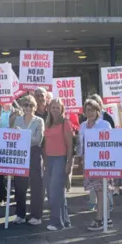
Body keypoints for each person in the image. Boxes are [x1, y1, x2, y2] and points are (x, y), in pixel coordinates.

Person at [78, 99, 114, 231]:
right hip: (88, 161)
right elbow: (81, 144)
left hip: (102, 161)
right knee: (97, 190)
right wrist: (80, 159)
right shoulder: (82, 125)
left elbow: (111, 143)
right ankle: (107, 218)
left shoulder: (105, 124)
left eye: (93, 109)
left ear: (98, 111)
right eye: (88, 110)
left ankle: (99, 219)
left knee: (101, 190)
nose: (90, 112)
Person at [13, 95, 45, 226]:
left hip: (34, 153)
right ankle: (20, 214)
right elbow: (14, 136)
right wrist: (20, 136)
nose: (28, 108)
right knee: (20, 185)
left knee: (36, 186)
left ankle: (36, 215)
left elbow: (39, 140)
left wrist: (24, 136)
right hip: (21, 153)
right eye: (25, 105)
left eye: (31, 105)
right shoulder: (17, 120)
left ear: (35, 107)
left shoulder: (39, 121)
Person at [43, 99, 73, 231]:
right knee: (55, 192)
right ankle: (65, 220)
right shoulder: (48, 123)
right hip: (49, 159)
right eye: (52, 107)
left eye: (57, 107)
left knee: (55, 191)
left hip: (60, 159)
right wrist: (44, 160)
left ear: (61, 109)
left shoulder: (65, 123)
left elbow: (70, 145)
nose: (54, 109)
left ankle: (56, 222)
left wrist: (69, 163)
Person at [0, 102, 23, 206]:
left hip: (14, 145)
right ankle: (2, 197)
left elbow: (23, 125)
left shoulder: (18, 112)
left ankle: (18, 197)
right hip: (0, 145)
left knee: (17, 172)